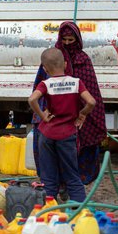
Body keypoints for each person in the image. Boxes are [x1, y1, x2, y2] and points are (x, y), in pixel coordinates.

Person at [28, 48, 96, 202]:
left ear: (45, 69)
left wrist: (42, 116)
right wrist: (82, 114)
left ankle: (48, 213)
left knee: (48, 178)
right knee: (72, 176)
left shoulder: (45, 84)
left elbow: (32, 100)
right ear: (65, 64)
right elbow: (91, 101)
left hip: (46, 135)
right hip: (67, 135)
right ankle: (77, 212)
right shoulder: (76, 82)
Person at [45, 21, 107, 184]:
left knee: (80, 153)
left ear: (77, 40)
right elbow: (41, 88)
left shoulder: (83, 60)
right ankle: (62, 186)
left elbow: (92, 94)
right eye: (64, 40)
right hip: (59, 116)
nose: (66, 44)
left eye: (70, 41)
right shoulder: (53, 58)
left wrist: (84, 114)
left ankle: (75, 184)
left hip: (79, 115)